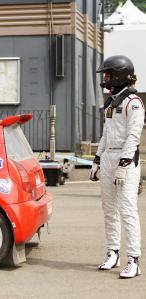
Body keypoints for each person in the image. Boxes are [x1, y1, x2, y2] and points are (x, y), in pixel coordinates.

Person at [90, 55, 144, 278]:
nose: (105, 78)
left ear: (120, 75)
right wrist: (97, 159)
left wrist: (124, 164)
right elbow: (106, 134)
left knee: (127, 210)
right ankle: (113, 252)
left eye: (108, 74)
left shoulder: (134, 102)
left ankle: (134, 259)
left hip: (126, 161)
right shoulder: (112, 102)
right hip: (109, 158)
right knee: (109, 210)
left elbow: (134, 135)